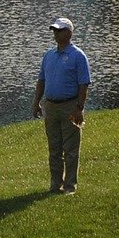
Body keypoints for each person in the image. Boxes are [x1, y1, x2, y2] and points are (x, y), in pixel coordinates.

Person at [32, 15, 91, 194]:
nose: (56, 34)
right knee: (54, 148)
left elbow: (84, 84)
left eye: (60, 30)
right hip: (50, 106)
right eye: (54, 31)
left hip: (70, 106)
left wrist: (79, 108)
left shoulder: (78, 56)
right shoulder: (49, 55)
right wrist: (36, 103)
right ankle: (55, 184)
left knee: (71, 149)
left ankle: (70, 186)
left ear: (69, 32)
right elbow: (42, 80)